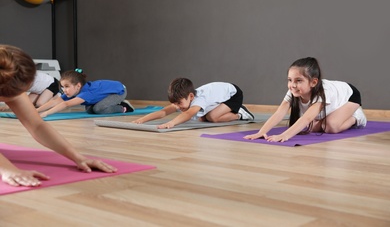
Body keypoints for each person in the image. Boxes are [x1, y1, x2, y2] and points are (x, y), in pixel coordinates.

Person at [0, 45, 117, 187]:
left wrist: (78, 158)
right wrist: (7, 169)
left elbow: (37, 125)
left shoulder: (10, 79)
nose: (19, 96)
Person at [244, 57, 367, 142]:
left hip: (349, 97)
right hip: (333, 101)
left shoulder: (321, 92)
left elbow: (306, 118)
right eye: (290, 80)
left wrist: (284, 135)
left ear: (313, 82)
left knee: (331, 127)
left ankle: (356, 116)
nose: (292, 85)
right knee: (312, 128)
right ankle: (337, 115)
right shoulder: (293, 90)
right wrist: (261, 132)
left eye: (298, 80)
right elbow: (279, 112)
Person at [132, 77, 254, 129]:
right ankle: (217, 112)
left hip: (233, 95)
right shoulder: (184, 98)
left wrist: (171, 123)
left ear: (190, 96)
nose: (178, 107)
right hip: (219, 97)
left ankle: (241, 113)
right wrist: (141, 120)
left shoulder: (199, 99)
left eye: (179, 103)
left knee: (212, 117)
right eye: (175, 104)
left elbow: (188, 114)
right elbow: (163, 112)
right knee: (201, 118)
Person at [37, 69, 134, 117]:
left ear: (78, 86)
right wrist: (36, 111)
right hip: (103, 94)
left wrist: (46, 113)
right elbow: (55, 101)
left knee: (98, 109)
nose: (64, 90)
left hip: (119, 91)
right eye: (62, 87)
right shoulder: (75, 91)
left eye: (66, 86)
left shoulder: (86, 93)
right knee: (89, 110)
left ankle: (123, 107)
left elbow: (65, 104)